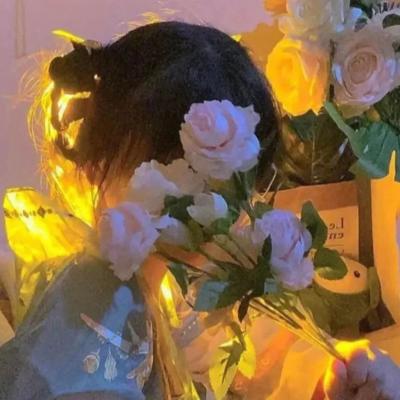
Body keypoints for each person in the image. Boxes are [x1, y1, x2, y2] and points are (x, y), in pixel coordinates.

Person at [0, 21, 399, 399]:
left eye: (233, 180)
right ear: (94, 163)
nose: (210, 205)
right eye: (175, 170)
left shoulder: (178, 285)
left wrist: (330, 370)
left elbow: (247, 351)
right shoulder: (91, 307)